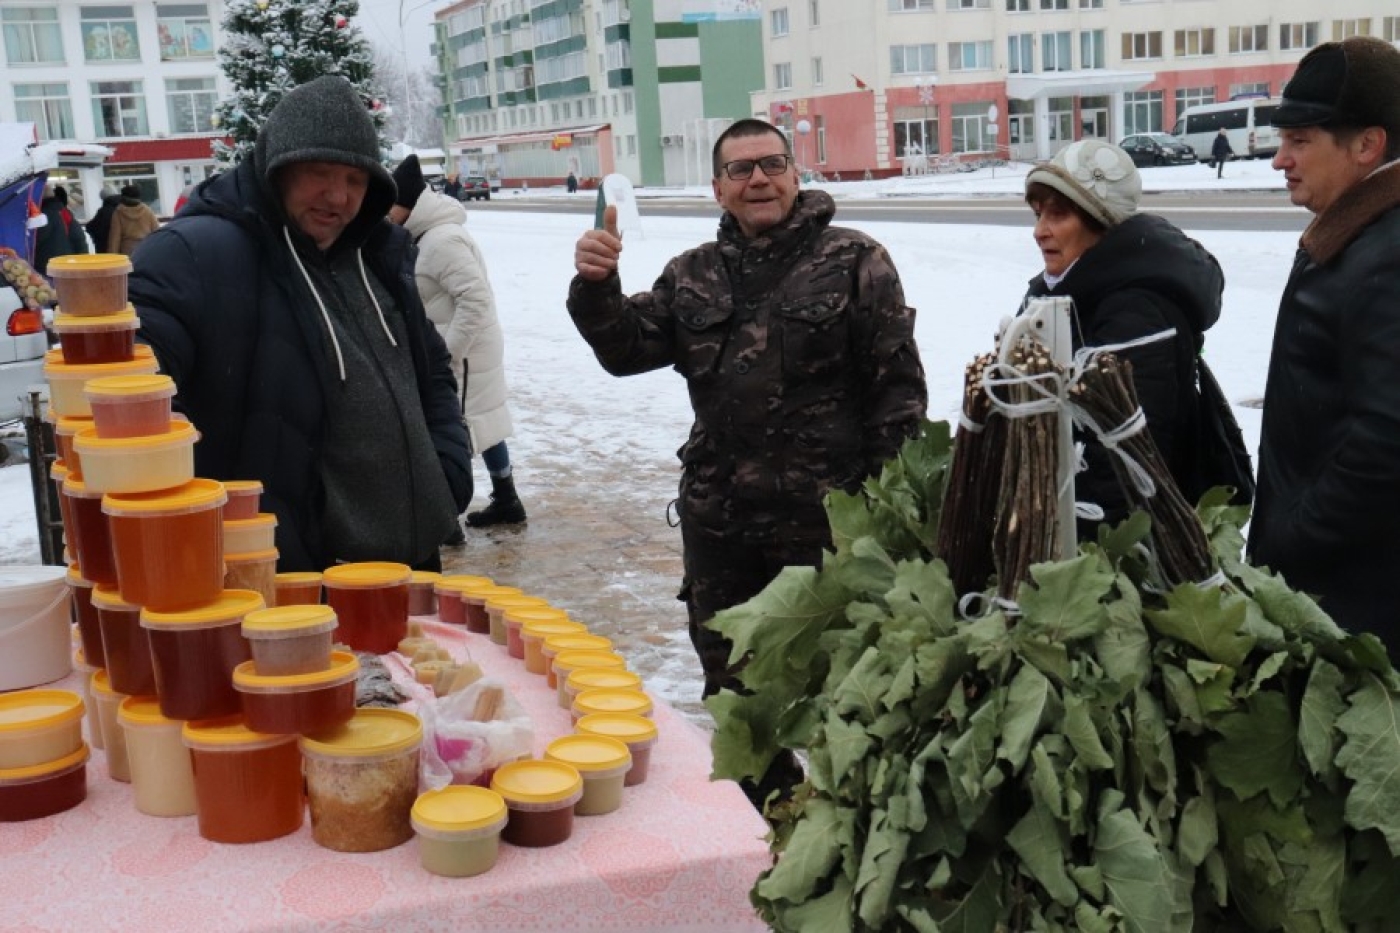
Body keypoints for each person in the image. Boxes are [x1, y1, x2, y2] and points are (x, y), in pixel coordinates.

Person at [568, 117, 927, 809]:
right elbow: (627, 348)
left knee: (843, 685)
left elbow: (898, 394)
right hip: (722, 524)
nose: (758, 178)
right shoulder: (693, 274)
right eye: (741, 169)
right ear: (719, 188)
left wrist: (889, 512)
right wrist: (597, 286)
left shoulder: (856, 260)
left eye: (772, 163)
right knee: (733, 689)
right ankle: (764, 821)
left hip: (829, 526)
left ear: (795, 174)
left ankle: (846, 822)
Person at [129, 75, 472, 573]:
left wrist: (448, 473)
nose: (338, 196)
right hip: (297, 580)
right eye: (320, 172)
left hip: (409, 568)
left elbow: (433, 374)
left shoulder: (379, 255)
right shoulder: (195, 255)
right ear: (278, 170)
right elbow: (132, 386)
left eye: (356, 181)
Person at [1248, 36, 1400, 659]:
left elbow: (1388, 440)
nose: (1280, 159)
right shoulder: (1357, 238)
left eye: (1301, 139)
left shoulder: (1385, 256)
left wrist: (1292, 538)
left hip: (1355, 609)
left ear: (1367, 145)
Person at [1021, 139, 1224, 531]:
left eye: (1057, 215)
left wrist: (1080, 555)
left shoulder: (1137, 315)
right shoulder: (1061, 292)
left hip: (1126, 547)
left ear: (1100, 221)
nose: (1039, 231)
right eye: (1037, 214)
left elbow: (1125, 470)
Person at [390, 154, 526, 533]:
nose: (385, 213)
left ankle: (446, 517)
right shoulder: (426, 237)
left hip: (463, 352)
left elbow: (475, 300)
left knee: (458, 429)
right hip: (463, 347)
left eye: (391, 205)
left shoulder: (442, 240)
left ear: (410, 204)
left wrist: (449, 352)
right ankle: (506, 497)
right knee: (481, 422)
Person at [33, 184, 89, 272]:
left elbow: (34, 241)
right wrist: (84, 260)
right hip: (68, 263)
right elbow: (79, 238)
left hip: (47, 266)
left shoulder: (40, 217)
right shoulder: (65, 212)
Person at [107, 185, 159, 256]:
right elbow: (156, 231)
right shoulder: (147, 211)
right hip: (146, 248)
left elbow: (115, 238)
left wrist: (112, 256)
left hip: (127, 251)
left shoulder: (118, 212)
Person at [85, 189, 121, 255]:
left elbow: (90, 227)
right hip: (123, 247)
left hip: (105, 247)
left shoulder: (104, 211)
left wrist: (97, 239)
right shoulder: (124, 207)